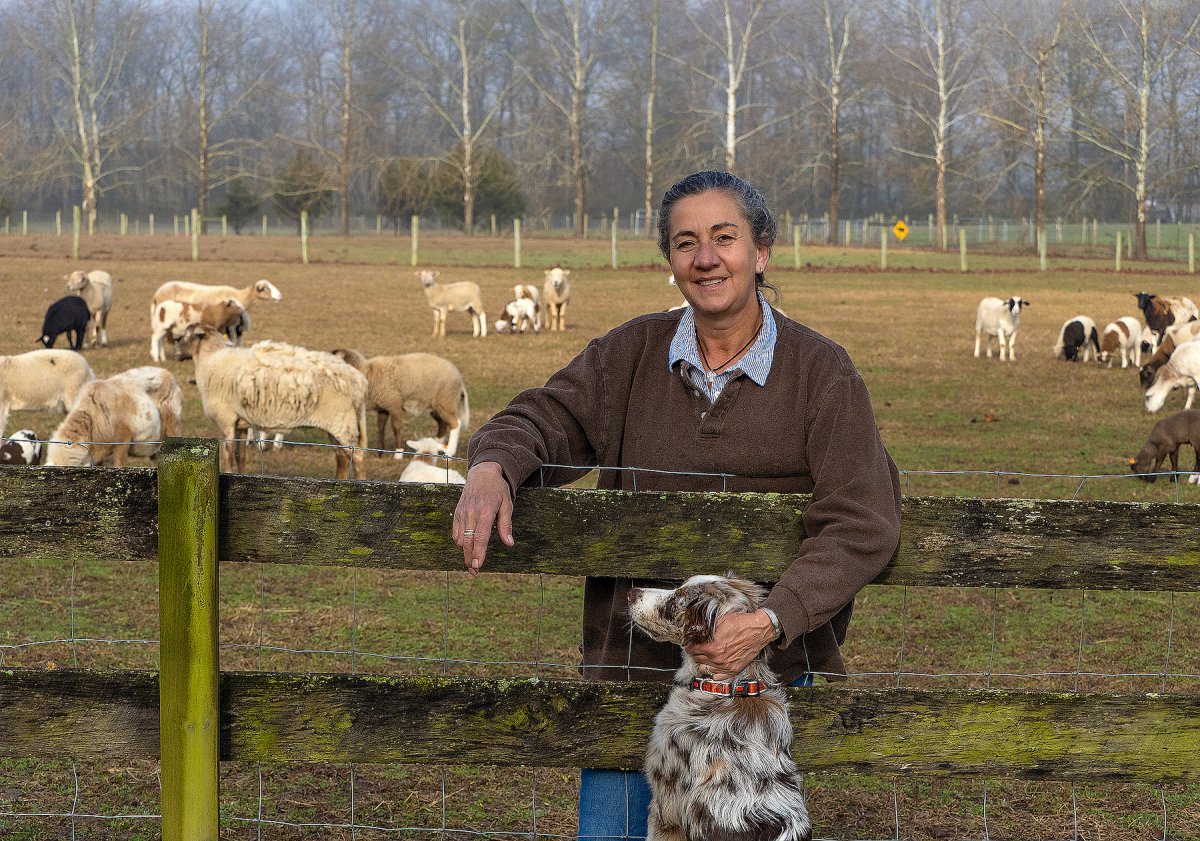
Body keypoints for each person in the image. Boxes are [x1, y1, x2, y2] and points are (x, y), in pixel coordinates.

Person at [453, 170, 901, 840]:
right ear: (670, 260)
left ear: (762, 251)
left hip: (758, 687)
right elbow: (542, 419)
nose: (705, 257)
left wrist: (773, 619)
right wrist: (494, 464)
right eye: (686, 242)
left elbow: (863, 517)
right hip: (631, 673)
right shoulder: (629, 355)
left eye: (725, 237)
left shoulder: (821, 373)